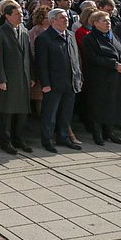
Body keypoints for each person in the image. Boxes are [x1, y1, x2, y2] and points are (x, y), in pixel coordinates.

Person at [35, 9, 84, 152]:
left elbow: (76, 58)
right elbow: (41, 64)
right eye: (62, 18)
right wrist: (45, 84)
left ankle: (63, 137)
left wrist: (79, 77)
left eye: (66, 17)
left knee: (66, 113)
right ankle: (47, 140)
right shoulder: (44, 38)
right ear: (52, 21)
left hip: (71, 82)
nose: (66, 20)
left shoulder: (70, 35)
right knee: (50, 114)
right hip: (53, 84)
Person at [83, 11, 121, 145]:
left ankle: (109, 132)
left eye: (108, 20)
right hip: (100, 77)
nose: (108, 23)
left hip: (116, 76)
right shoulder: (90, 38)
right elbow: (92, 57)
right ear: (95, 23)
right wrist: (114, 64)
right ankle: (97, 133)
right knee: (98, 105)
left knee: (113, 104)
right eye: (104, 21)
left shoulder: (114, 35)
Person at [0, 3, 33, 154]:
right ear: (7, 16)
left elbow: (28, 55)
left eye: (22, 13)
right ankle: (6, 141)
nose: (21, 16)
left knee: (22, 111)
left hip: (23, 77)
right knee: (6, 112)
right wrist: (1, 79)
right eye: (17, 14)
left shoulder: (24, 30)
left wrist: (32, 76)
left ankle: (19, 139)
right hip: (8, 78)